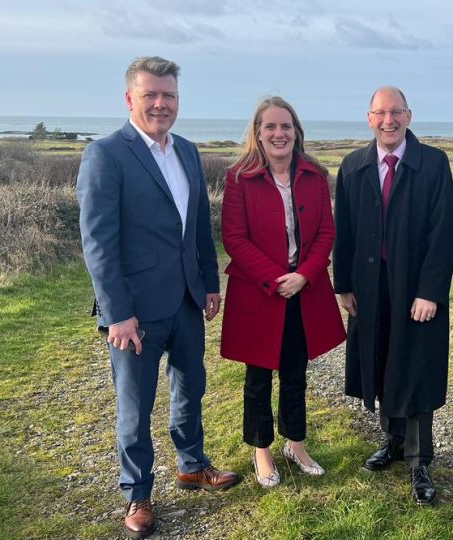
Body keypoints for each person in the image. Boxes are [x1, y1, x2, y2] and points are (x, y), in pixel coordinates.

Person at [77, 56, 238, 539]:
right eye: (151, 95)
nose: (161, 103)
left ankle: (192, 465)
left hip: (187, 300)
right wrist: (117, 314)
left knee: (191, 388)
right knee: (135, 404)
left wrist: (210, 282)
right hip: (135, 311)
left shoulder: (187, 151)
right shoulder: (106, 154)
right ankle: (138, 493)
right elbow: (98, 243)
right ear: (131, 98)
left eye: (168, 95)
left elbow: (197, 230)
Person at [333, 86, 453, 505]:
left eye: (396, 112)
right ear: (369, 118)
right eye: (381, 113)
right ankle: (394, 440)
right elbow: (344, 230)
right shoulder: (353, 166)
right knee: (383, 357)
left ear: (409, 116)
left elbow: (445, 232)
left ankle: (420, 459)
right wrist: (344, 285)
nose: (389, 120)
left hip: (417, 286)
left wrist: (430, 291)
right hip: (370, 286)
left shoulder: (434, 163)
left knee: (417, 365)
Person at [220, 97, 346, 488]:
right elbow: (234, 238)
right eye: (270, 126)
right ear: (257, 132)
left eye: (286, 126)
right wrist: (277, 279)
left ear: (297, 132)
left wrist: (305, 275)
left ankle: (296, 443)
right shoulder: (239, 177)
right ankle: (261, 450)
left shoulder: (315, 173)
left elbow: (327, 231)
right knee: (258, 377)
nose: (279, 133)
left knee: (296, 373)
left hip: (303, 291)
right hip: (261, 292)